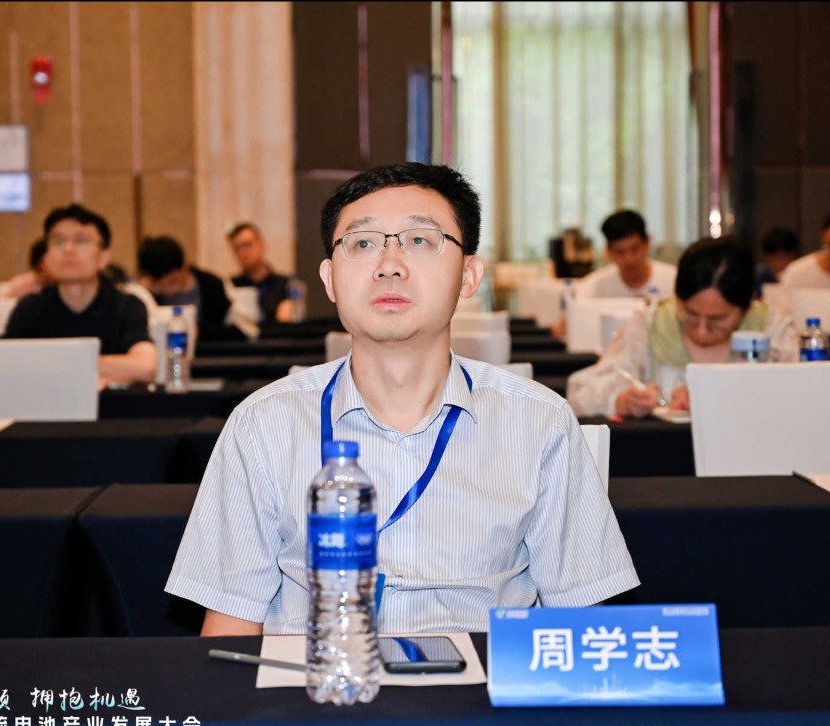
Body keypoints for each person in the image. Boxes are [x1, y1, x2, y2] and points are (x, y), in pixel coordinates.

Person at [166, 162, 640, 636]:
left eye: (420, 240)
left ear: (469, 275)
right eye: (363, 244)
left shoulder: (540, 421)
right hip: (315, 676)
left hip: (486, 679)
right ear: (330, 280)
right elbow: (229, 630)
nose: (389, 264)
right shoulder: (262, 425)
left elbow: (582, 630)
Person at [566, 235, 798, 419]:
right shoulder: (649, 326)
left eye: (718, 319)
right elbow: (579, 393)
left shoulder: (773, 330)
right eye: (690, 314)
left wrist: (718, 396)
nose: (701, 330)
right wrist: (622, 401)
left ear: (747, 306)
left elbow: (802, 399)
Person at [0, 203, 157, 388]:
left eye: (81, 241)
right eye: (58, 242)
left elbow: (146, 367)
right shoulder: (30, 308)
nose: (68, 250)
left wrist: (50, 365)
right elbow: (0, 362)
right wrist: (103, 368)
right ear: (47, 258)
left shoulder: (127, 306)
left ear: (104, 257)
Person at [136, 235, 249, 342]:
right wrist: (143, 294)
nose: (166, 290)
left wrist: (199, 332)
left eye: (172, 281)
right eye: (158, 284)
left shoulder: (211, 286)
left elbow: (238, 331)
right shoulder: (143, 295)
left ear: (185, 266)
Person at [572, 209, 678, 299]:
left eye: (635, 249)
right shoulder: (593, 286)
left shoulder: (674, 281)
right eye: (620, 252)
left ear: (648, 243)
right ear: (608, 252)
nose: (629, 259)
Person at [227, 222, 293, 323]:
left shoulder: (285, 285)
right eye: (237, 248)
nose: (243, 252)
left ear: (261, 245)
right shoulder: (231, 287)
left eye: (247, 245)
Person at [755, 225, 801, 297]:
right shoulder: (758, 277)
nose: (781, 263)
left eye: (785, 257)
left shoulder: (800, 277)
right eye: (776, 258)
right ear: (766, 256)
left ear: (794, 255)